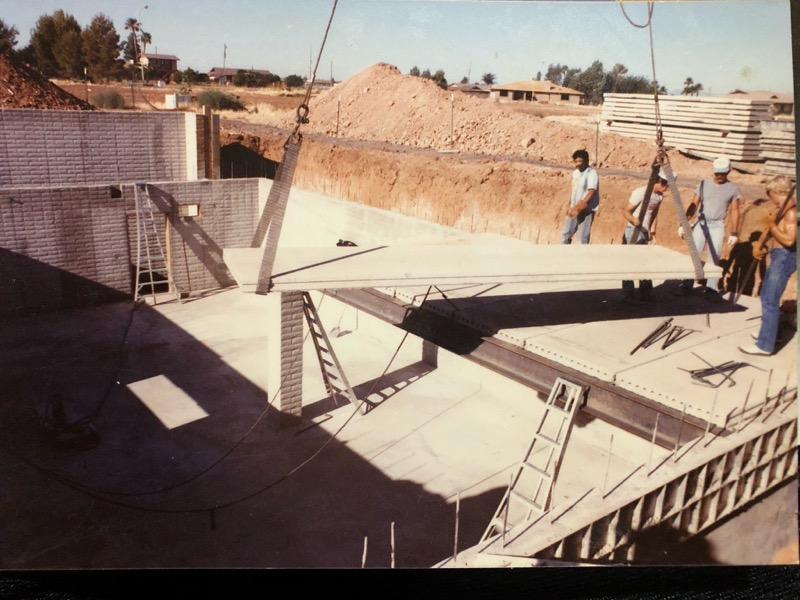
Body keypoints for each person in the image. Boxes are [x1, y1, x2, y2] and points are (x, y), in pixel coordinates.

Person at [738, 176, 796, 356]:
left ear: (779, 192)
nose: (770, 198)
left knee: (769, 300)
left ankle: (764, 345)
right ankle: (771, 334)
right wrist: (761, 243)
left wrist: (772, 226)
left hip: (785, 257)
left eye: (771, 194)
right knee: (767, 296)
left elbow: (789, 240)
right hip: (779, 256)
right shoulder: (783, 209)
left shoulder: (792, 213)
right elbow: (772, 229)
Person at [678, 157, 742, 298]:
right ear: (714, 171)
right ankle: (687, 283)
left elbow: (735, 210)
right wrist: (683, 223)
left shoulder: (732, 189)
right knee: (695, 253)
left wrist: (734, 232)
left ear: (728, 171)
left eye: (723, 174)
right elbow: (693, 204)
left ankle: (712, 287)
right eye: (717, 173)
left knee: (715, 255)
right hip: (701, 223)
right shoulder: (703, 184)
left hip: (717, 225)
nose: (720, 176)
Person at [621, 169, 671, 301]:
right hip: (633, 231)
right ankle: (629, 294)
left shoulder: (659, 196)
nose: (668, 188)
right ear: (660, 181)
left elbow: (654, 216)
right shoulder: (640, 192)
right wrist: (634, 220)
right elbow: (626, 211)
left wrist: (652, 232)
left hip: (644, 233)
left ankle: (645, 293)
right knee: (630, 264)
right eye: (666, 184)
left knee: (645, 263)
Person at [562, 149, 599, 244]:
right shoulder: (575, 173)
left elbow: (591, 192)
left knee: (583, 238)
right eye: (576, 161)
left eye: (580, 161)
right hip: (573, 208)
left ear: (586, 161)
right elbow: (574, 190)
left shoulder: (591, 173)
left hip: (585, 210)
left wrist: (579, 207)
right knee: (566, 234)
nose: (578, 164)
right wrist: (570, 206)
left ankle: (582, 257)